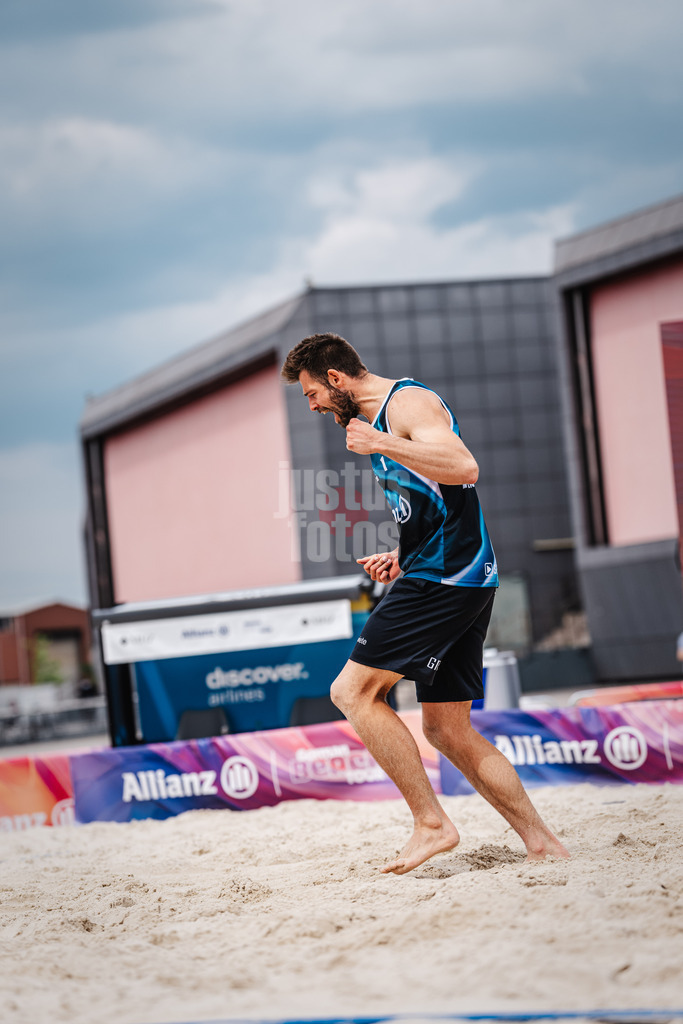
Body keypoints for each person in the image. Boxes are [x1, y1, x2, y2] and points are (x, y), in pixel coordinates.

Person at [281, 332, 569, 875]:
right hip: (451, 572)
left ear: (336, 380)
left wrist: (381, 444)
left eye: (312, 393)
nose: (314, 404)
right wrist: (402, 554)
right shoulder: (372, 423)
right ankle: (542, 842)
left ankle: (432, 823)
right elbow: (442, 506)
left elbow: (463, 468)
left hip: (447, 578)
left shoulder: (406, 404)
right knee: (446, 729)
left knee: (352, 692)